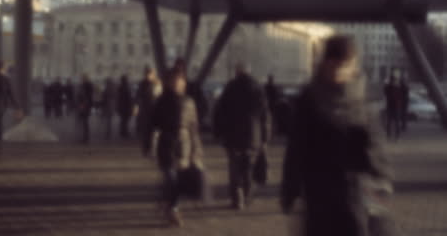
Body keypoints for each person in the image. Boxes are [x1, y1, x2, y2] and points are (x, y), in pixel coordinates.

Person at [280, 35, 389, 236]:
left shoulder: (364, 99)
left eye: (344, 64)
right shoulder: (309, 99)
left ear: (353, 64)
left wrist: (379, 178)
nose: (339, 70)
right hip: (319, 196)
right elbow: (295, 149)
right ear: (325, 64)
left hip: (355, 195)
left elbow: (377, 147)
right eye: (334, 64)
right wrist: (290, 192)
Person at [213, 62, 271, 210]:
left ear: (236, 72)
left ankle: (236, 197)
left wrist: (218, 132)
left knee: (234, 167)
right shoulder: (258, 88)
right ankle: (246, 194)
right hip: (253, 136)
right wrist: (265, 137)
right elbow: (265, 115)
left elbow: (220, 112)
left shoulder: (230, 87)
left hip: (233, 136)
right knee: (248, 168)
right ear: (249, 72)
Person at [151, 68, 203, 227]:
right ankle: (172, 208)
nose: (177, 83)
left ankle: (171, 206)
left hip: (184, 146)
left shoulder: (189, 102)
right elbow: (153, 124)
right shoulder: (161, 101)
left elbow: (194, 128)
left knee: (179, 181)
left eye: (179, 80)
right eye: (174, 80)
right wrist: (149, 144)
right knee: (171, 178)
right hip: (166, 145)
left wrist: (197, 150)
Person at [134, 66, 162, 156]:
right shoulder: (142, 84)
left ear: (153, 74)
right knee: (146, 131)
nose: (148, 76)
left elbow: (161, 96)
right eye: (147, 74)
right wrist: (136, 107)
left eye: (149, 74)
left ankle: (153, 150)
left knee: (155, 132)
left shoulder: (158, 83)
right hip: (146, 111)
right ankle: (146, 149)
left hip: (156, 110)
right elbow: (138, 96)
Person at [384, 68, 404, 140]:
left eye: (397, 73)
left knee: (397, 121)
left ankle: (396, 136)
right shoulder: (389, 83)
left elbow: (404, 93)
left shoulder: (400, 83)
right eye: (395, 73)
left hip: (397, 105)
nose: (396, 74)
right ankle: (389, 135)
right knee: (389, 121)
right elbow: (386, 92)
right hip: (391, 104)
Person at [75, 75, 93, 144]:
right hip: (83, 106)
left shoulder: (87, 86)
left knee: (85, 122)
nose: (82, 79)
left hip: (85, 106)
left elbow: (86, 97)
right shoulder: (85, 85)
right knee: (83, 121)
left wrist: (83, 105)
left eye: (83, 78)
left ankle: (85, 137)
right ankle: (83, 136)